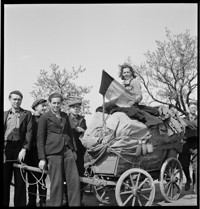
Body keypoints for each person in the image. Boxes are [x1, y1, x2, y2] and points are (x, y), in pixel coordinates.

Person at [37, 92, 80, 206]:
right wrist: (42, 158)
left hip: (68, 151)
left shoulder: (65, 116)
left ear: (61, 104)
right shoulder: (44, 117)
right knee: (57, 182)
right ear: (50, 103)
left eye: (58, 103)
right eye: (54, 103)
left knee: (74, 181)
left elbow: (70, 134)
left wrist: (74, 150)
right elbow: (40, 139)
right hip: (54, 153)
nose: (56, 105)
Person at [4, 90, 33, 207]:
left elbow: (29, 133)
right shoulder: (4, 114)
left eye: (19, 99)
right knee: (4, 180)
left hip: (20, 148)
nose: (17, 101)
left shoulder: (27, 114)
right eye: (14, 99)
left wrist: (24, 149)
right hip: (6, 148)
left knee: (20, 181)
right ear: (10, 100)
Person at [26, 99, 47, 207]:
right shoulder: (29, 118)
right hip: (31, 151)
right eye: (42, 106)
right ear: (35, 107)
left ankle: (43, 201)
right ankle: (32, 202)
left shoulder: (46, 119)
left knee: (42, 178)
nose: (44, 108)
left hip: (43, 151)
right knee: (31, 178)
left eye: (45, 106)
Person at [68, 99, 87, 204]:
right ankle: (67, 200)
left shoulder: (82, 120)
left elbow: (87, 135)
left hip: (80, 152)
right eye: (73, 107)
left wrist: (83, 131)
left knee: (80, 175)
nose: (75, 109)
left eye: (77, 107)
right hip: (69, 150)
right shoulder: (65, 119)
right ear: (69, 108)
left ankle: (79, 200)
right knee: (68, 177)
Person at [178, 102, 197, 191]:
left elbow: (193, 126)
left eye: (195, 108)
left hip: (196, 143)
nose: (194, 109)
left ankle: (195, 185)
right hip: (185, 144)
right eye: (192, 108)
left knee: (195, 167)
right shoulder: (183, 119)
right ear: (188, 109)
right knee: (184, 165)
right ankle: (188, 179)